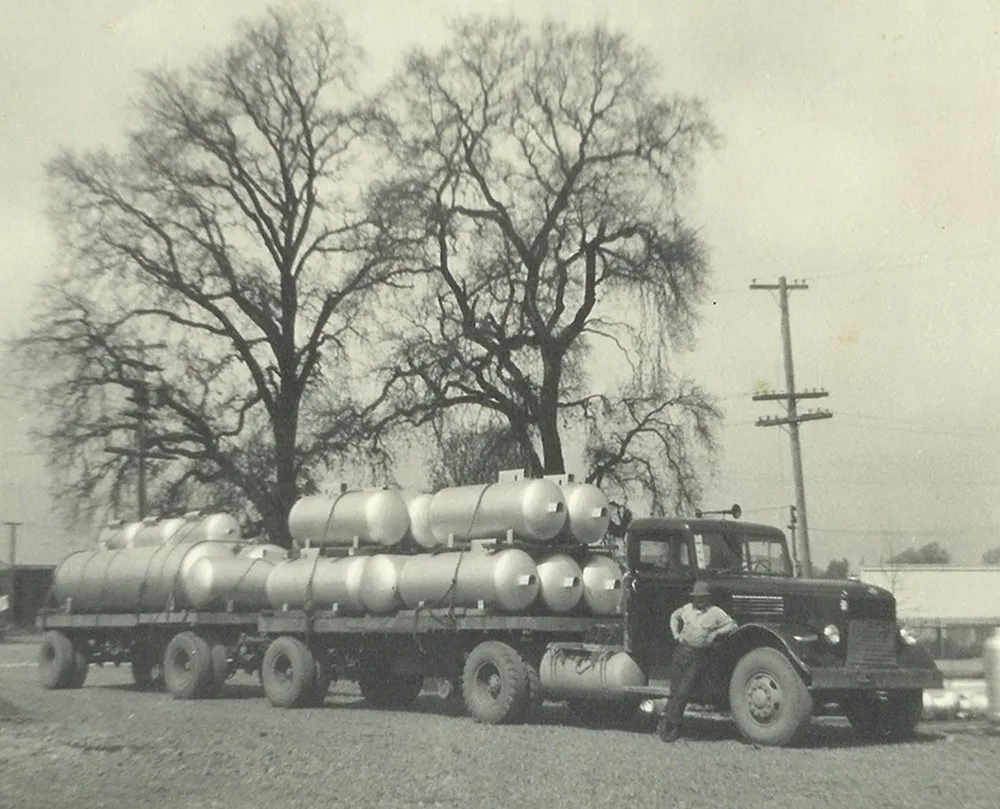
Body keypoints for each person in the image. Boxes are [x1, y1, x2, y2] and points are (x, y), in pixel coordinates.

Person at [657, 580, 738, 742]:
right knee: (674, 691)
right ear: (693, 597)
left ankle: (672, 724)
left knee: (684, 691)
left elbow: (733, 625)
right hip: (681, 652)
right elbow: (674, 616)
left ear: (708, 598)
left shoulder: (715, 613)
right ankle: (668, 725)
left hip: (698, 656)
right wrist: (676, 634)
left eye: (703, 597)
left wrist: (716, 633)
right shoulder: (686, 609)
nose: (700, 600)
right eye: (697, 597)